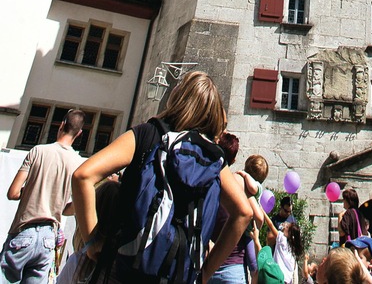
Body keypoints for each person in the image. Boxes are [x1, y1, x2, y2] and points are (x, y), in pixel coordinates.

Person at [71, 71, 252, 283]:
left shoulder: (148, 134)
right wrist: (205, 272)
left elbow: (83, 175)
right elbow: (243, 213)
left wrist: (91, 241)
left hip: (127, 267)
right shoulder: (212, 157)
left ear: (178, 98)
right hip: (179, 273)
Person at [1, 108, 85, 284]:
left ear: (61, 125)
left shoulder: (38, 151)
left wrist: (32, 191)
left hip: (24, 231)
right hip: (49, 238)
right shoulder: (78, 164)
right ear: (79, 133)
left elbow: (13, 192)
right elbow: (72, 208)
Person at [210, 133, 259, 284]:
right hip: (233, 269)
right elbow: (257, 217)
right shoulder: (239, 186)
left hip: (208, 264)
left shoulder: (206, 182)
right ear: (234, 160)